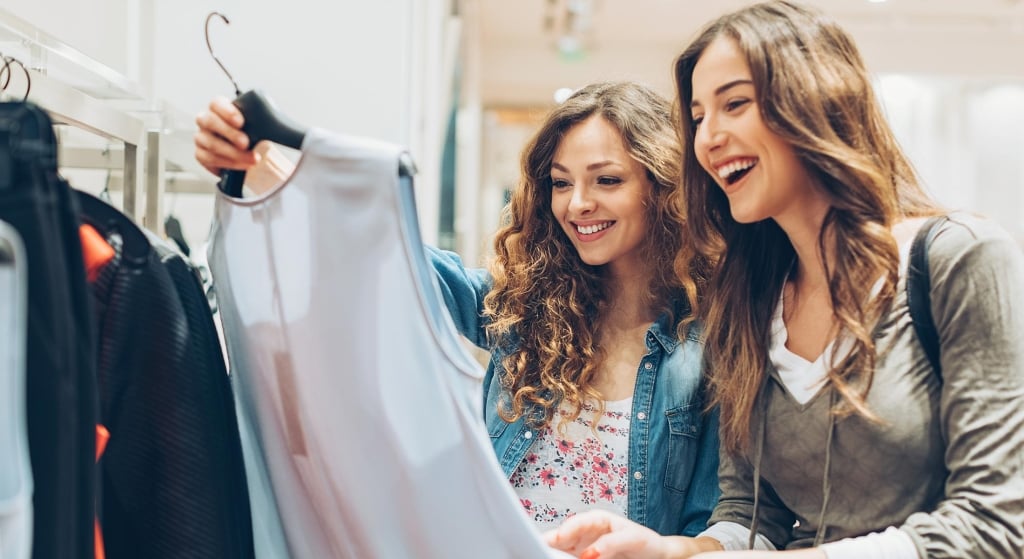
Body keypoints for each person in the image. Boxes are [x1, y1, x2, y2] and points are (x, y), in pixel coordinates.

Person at [546, 2, 1024, 558]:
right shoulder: (745, 298)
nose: (709, 137)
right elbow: (752, 514)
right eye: (699, 117)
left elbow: (996, 523)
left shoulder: (954, 258)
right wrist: (673, 551)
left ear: (816, 99)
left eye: (735, 104)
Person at [193, 81, 721, 536]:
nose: (577, 203)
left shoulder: (712, 344)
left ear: (663, 187)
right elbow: (395, 261)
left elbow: (706, 523)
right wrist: (267, 166)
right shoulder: (531, 309)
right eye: (561, 182)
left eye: (607, 180)